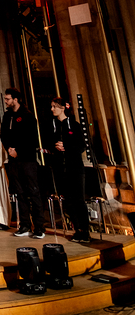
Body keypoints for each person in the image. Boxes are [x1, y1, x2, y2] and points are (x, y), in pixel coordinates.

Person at [1, 86, 45, 239]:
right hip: (13, 160)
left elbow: (31, 138)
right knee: (20, 194)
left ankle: (39, 227)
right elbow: (4, 135)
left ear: (16, 99)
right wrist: (9, 149)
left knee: (33, 192)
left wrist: (18, 151)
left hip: (27, 160)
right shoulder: (7, 116)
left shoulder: (27, 116)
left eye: (8, 99)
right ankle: (25, 225)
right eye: (5, 99)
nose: (6, 101)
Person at [50, 97, 90, 242]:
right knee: (68, 201)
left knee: (79, 199)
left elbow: (81, 146)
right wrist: (54, 148)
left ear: (62, 108)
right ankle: (77, 229)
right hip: (61, 168)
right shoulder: (53, 125)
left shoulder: (74, 125)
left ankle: (85, 231)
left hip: (75, 168)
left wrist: (66, 146)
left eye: (54, 106)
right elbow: (49, 143)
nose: (52, 109)